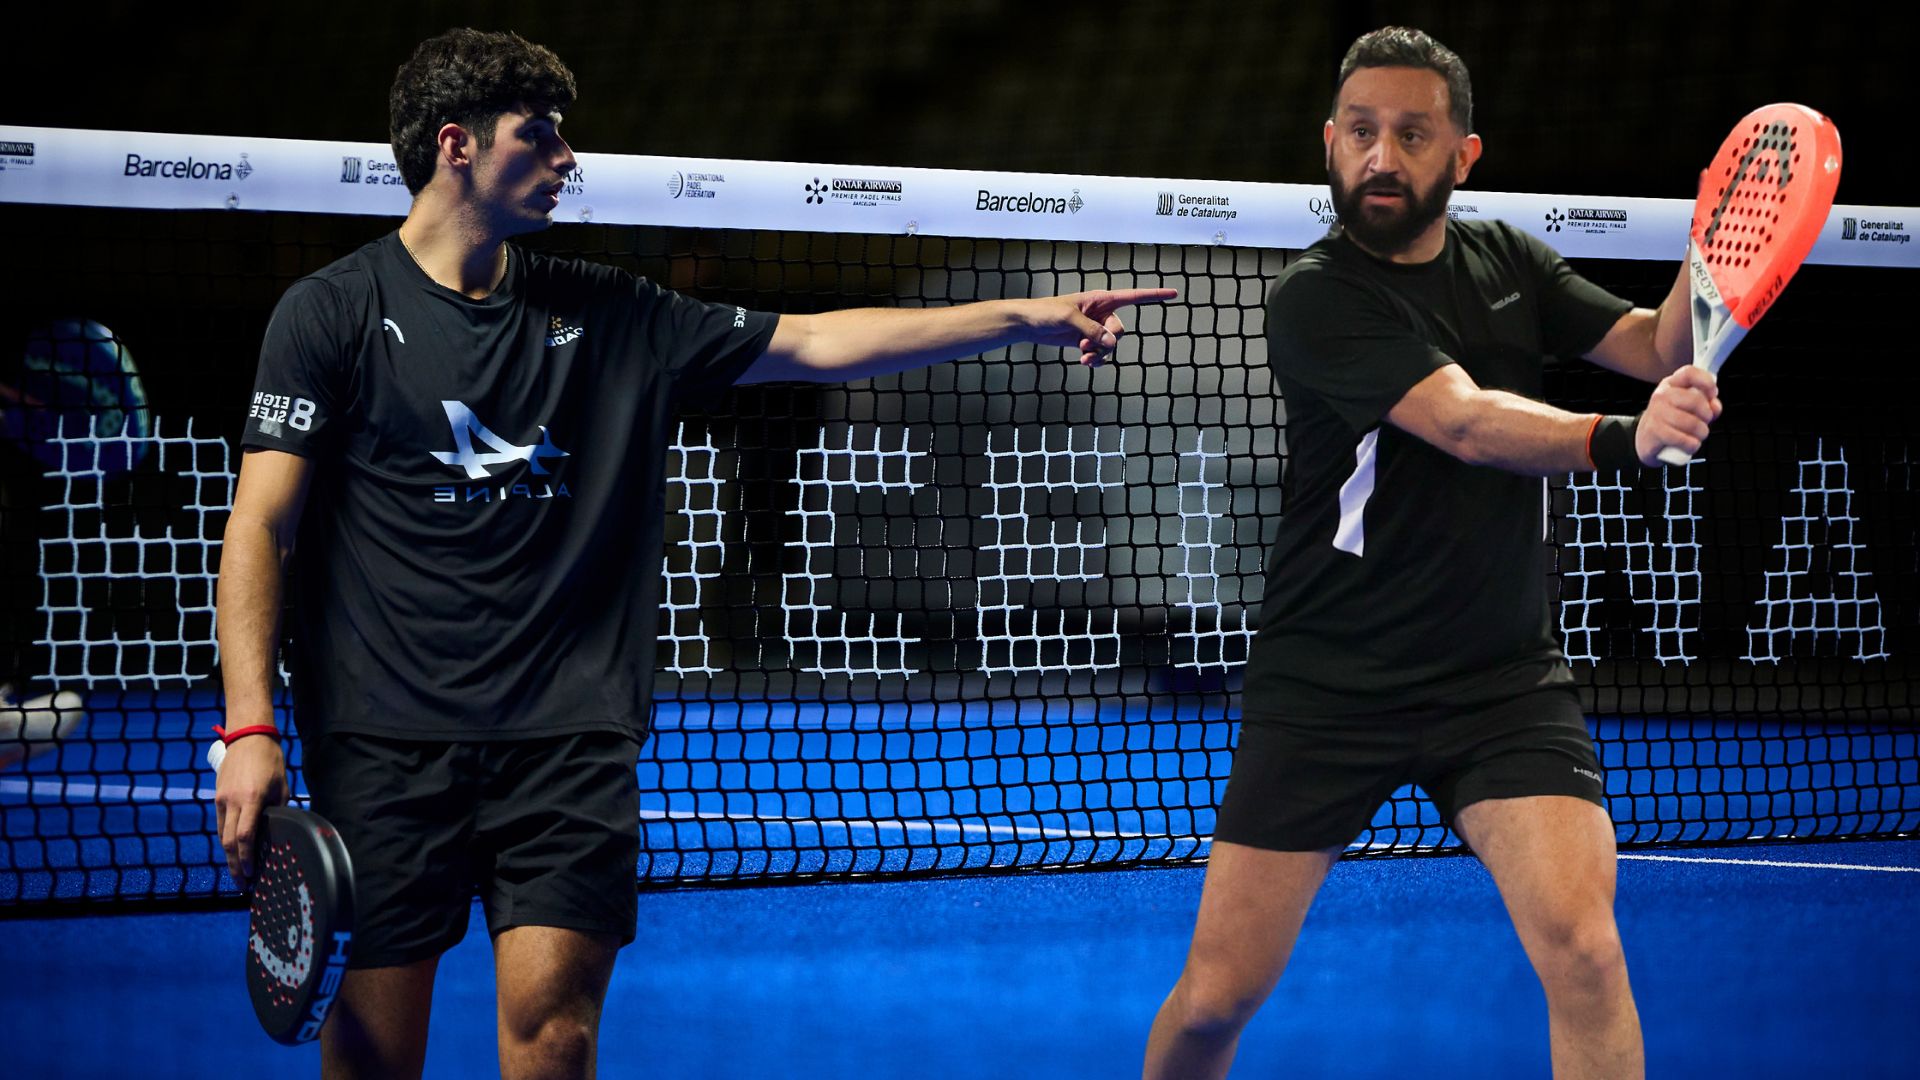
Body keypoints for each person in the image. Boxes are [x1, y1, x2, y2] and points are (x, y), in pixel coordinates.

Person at [212, 27, 1172, 1080]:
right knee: (374, 1052)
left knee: (554, 1034)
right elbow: (261, 526)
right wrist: (251, 725)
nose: (568, 158)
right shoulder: (330, 314)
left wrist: (1028, 316)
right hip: (385, 744)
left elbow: (815, 340)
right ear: (457, 146)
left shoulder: (614, 313)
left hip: (568, 742)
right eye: (539, 136)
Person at [1143, 26, 1718, 1080]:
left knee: (1587, 954)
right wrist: (1625, 437)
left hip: (1500, 686)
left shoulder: (1508, 261)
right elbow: (1464, 420)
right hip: (1328, 688)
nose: (1381, 156)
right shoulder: (1316, 296)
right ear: (1329, 141)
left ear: (1463, 155)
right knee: (1217, 1001)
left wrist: (1713, 251)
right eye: (1361, 131)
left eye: (1412, 135)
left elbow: (1655, 345)